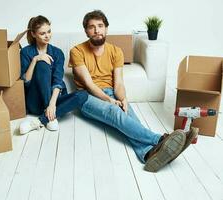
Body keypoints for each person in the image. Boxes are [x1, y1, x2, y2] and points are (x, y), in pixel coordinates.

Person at [68, 10, 198, 172]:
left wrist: (123, 99)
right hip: (87, 98)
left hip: (112, 92)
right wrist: (110, 101)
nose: (97, 30)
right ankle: (161, 139)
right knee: (115, 113)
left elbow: (119, 83)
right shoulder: (76, 51)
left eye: (100, 26)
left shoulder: (116, 51)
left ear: (106, 29)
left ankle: (148, 154)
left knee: (131, 120)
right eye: (91, 27)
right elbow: (89, 84)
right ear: (86, 31)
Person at [19, 15, 88, 134]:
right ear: (34, 34)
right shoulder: (26, 52)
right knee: (42, 64)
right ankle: (50, 116)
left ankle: (41, 120)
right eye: (42, 33)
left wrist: (51, 105)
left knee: (83, 95)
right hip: (34, 101)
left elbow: (57, 81)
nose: (47, 36)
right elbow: (26, 81)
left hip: (54, 101)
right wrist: (36, 59)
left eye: (49, 31)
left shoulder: (57, 53)